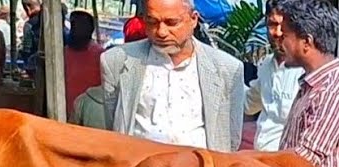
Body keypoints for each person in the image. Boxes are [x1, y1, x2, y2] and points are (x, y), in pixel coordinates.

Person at [100, 0, 245, 152]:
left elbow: (230, 138)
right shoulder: (116, 61)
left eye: (171, 23)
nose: (161, 32)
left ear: (193, 19)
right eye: (152, 22)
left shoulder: (227, 69)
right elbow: (114, 124)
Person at [245, 0, 339, 152]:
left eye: (285, 28)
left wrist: (325, 131)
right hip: (267, 166)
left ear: (305, 40)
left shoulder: (313, 75)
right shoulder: (267, 66)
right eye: (273, 24)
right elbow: (249, 104)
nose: (279, 33)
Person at [276, 0, 339, 167]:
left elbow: (303, 161)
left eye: (284, 35)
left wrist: (244, 164)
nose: (278, 39)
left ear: (306, 42)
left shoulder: (331, 93)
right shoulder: (313, 85)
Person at [63, 10, 103, 110]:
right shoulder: (61, 54)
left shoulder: (101, 56)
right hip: (63, 112)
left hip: (89, 113)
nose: (76, 30)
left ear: (90, 30)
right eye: (74, 26)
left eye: (81, 27)